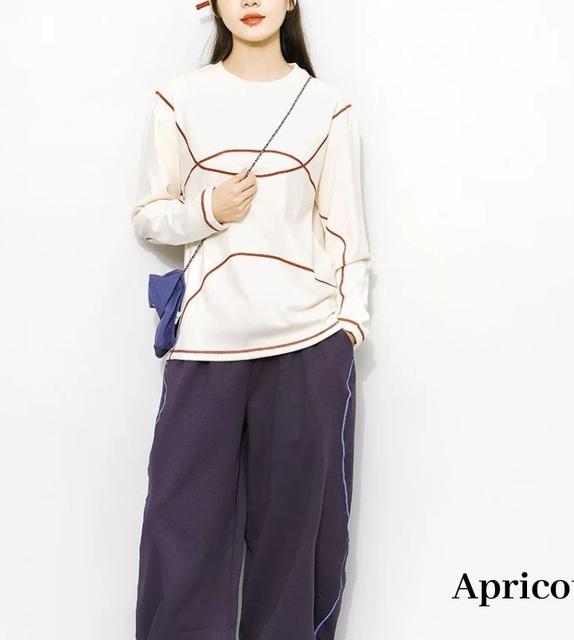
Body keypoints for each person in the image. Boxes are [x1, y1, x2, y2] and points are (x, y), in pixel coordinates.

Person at [130, 1, 371, 638]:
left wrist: (348, 328)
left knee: (297, 541)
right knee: (182, 531)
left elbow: (347, 234)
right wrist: (208, 208)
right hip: (205, 345)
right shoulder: (179, 100)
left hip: (307, 344)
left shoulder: (326, 107)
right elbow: (149, 216)